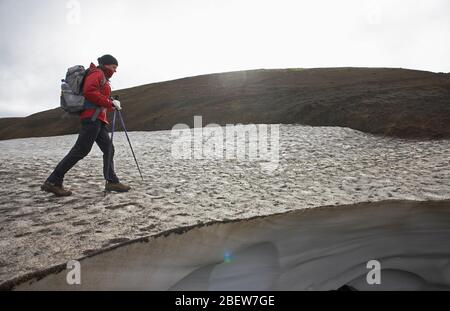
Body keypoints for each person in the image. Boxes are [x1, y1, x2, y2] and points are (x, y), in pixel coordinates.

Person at [41, 54, 131, 196]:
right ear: (107, 65)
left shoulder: (102, 76)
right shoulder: (97, 73)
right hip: (92, 119)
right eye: (114, 67)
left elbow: (97, 95)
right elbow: (89, 92)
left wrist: (111, 103)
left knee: (108, 148)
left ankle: (112, 181)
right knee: (80, 150)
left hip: (98, 120)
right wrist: (109, 103)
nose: (115, 71)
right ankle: (53, 182)